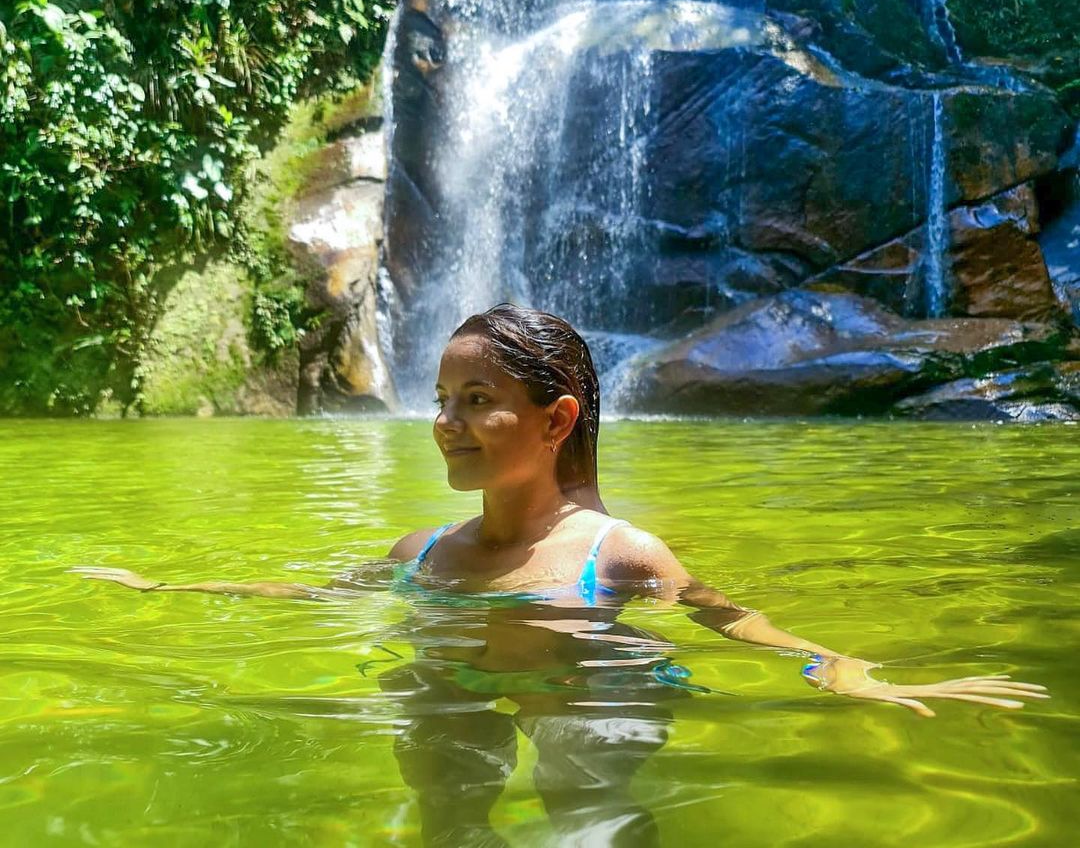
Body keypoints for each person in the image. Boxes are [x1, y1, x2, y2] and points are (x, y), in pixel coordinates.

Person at [74, 304, 1048, 845]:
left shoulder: (615, 555)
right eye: (442, 398)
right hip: (454, 686)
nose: (445, 421)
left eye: (477, 399)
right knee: (449, 823)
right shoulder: (422, 552)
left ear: (556, 422)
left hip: (595, 691)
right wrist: (161, 596)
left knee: (588, 821)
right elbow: (310, 596)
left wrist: (847, 671)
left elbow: (737, 623)